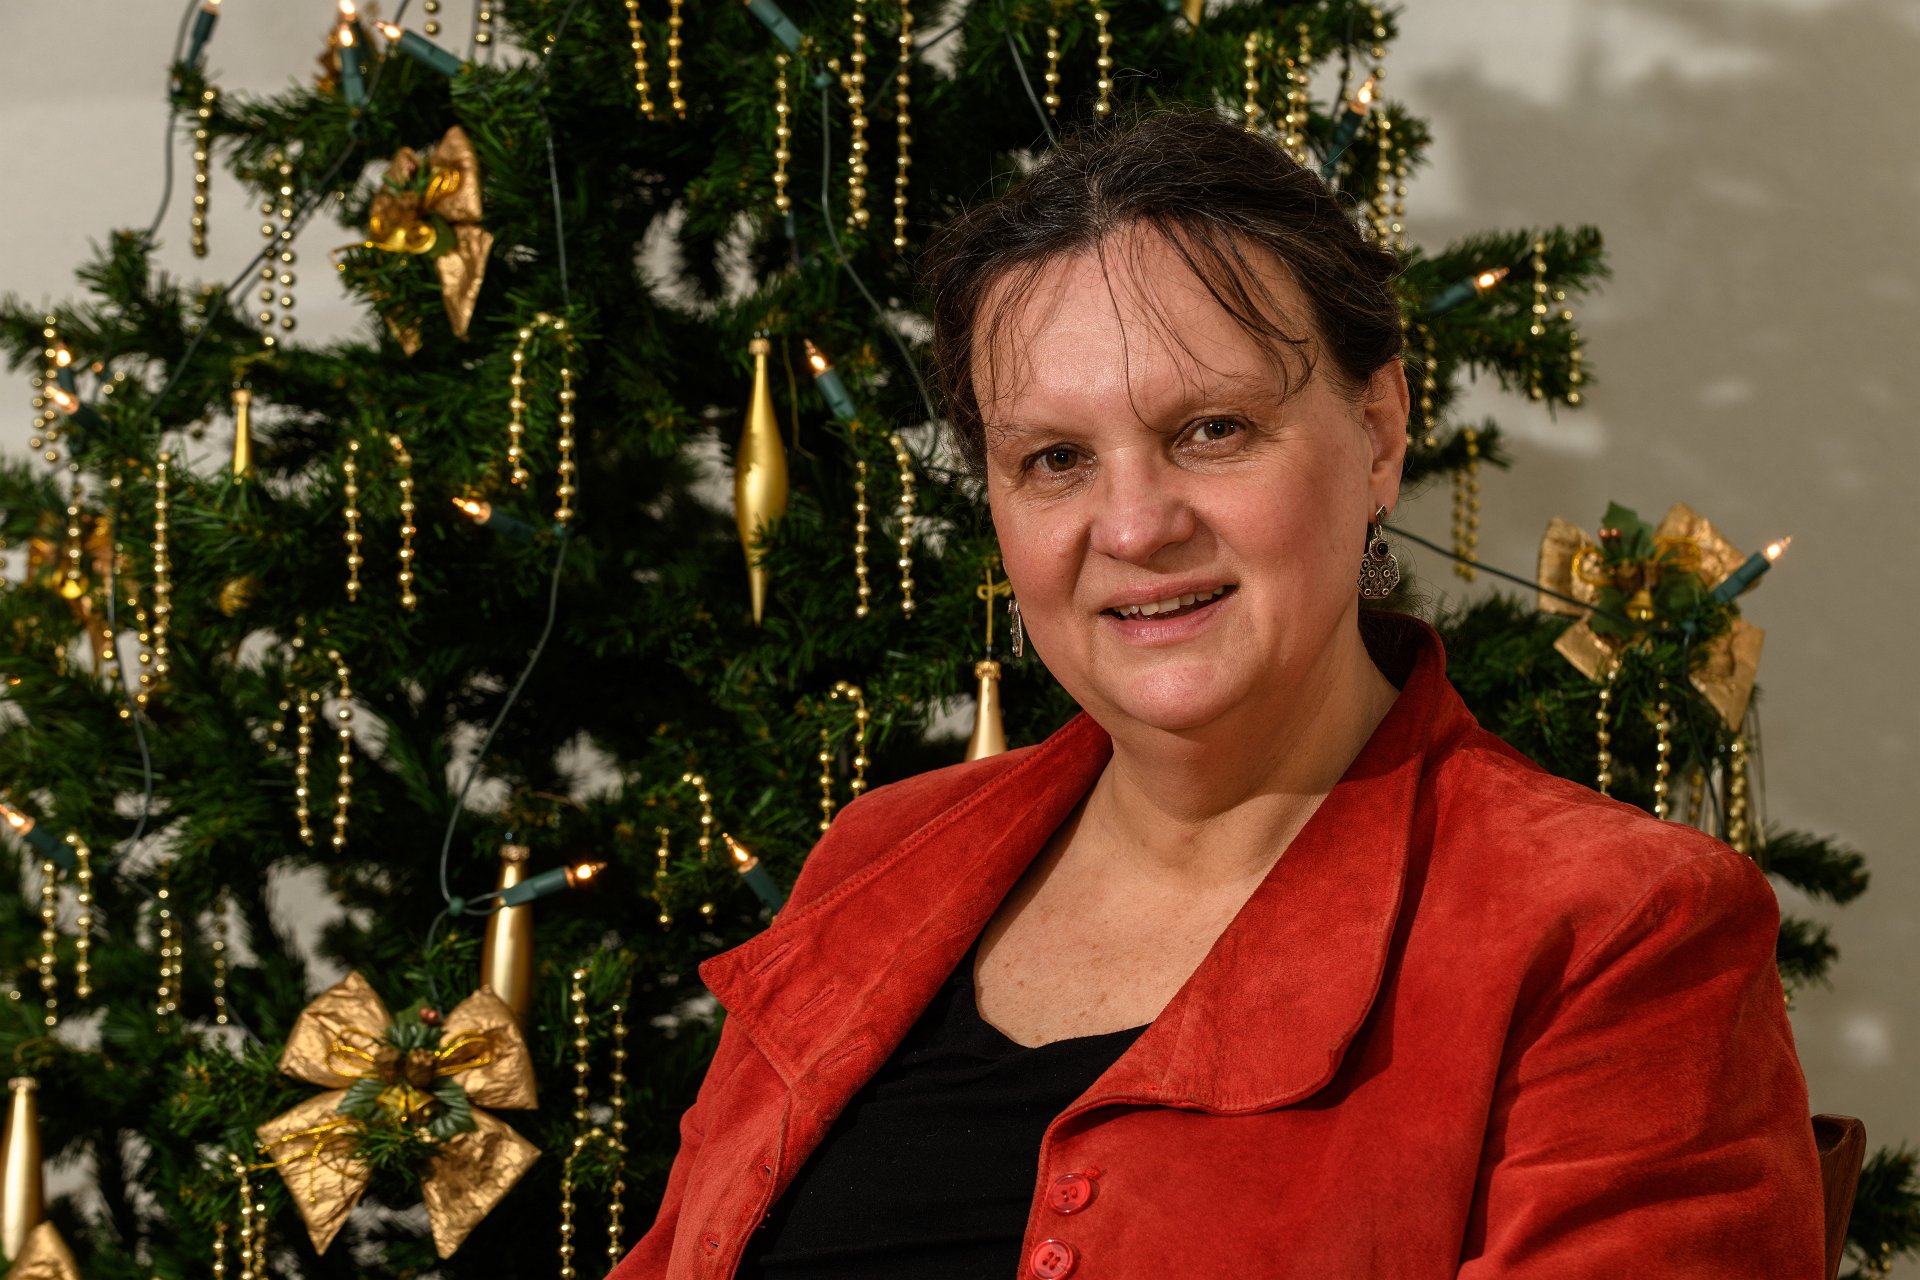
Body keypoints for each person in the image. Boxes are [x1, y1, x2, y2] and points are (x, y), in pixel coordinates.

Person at [609, 110, 1826, 1279]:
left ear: (1379, 432)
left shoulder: (1618, 930)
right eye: (1055, 459)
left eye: (1212, 429)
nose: (1135, 525)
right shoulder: (882, 855)